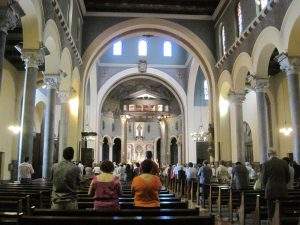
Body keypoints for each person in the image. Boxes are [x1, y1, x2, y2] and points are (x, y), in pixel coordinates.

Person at [262, 150, 290, 219]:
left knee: (271, 209)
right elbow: (288, 177)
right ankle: (281, 221)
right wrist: (283, 183)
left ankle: (271, 221)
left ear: (269, 155)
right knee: (281, 208)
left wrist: (266, 186)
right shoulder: (284, 163)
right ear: (276, 154)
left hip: (270, 189)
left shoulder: (266, 164)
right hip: (282, 189)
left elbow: (264, 179)